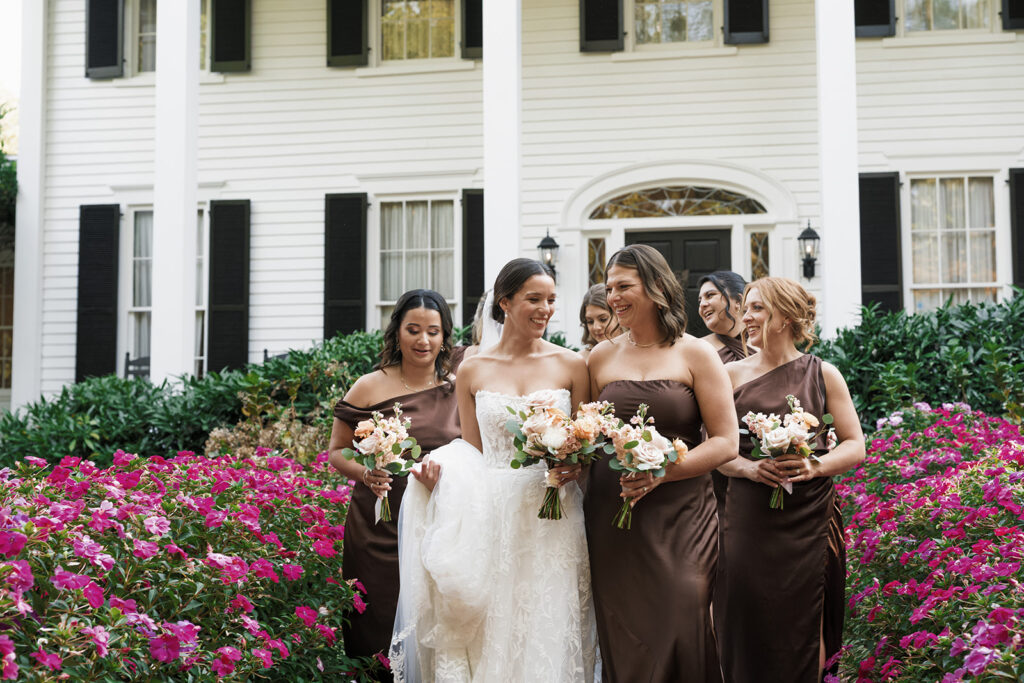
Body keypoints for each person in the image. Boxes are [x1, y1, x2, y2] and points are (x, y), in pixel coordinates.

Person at [390, 258, 596, 683]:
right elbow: (471, 452)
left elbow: (585, 442)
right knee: (494, 627)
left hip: (553, 511)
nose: (546, 309)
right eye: (534, 299)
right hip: (494, 513)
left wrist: (572, 462)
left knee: (548, 620)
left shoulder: (573, 365)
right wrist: (440, 478)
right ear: (505, 302)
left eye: (552, 300)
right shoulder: (473, 368)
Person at [585, 244, 738, 683]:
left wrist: (662, 470)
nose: (613, 296)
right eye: (610, 287)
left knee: (684, 615)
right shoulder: (600, 357)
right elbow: (588, 434)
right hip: (614, 516)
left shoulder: (696, 354)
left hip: (682, 515)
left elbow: (726, 442)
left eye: (624, 286)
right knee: (623, 630)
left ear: (654, 288)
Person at [717, 277, 865, 683]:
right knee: (746, 619)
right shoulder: (727, 375)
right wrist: (749, 468)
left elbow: (855, 445)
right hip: (748, 518)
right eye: (745, 308)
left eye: (756, 308)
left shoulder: (824, 373)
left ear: (784, 316)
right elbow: (712, 448)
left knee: (805, 620)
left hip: (810, 520)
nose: (744, 317)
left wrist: (816, 466)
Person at [327, 289, 461, 673]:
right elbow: (337, 450)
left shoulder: (456, 388)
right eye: (413, 330)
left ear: (444, 335)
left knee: (430, 623)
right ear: (397, 333)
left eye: (433, 331)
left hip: (436, 522)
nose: (423, 340)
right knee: (376, 623)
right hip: (377, 526)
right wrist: (365, 473)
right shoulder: (370, 386)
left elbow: (473, 454)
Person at [697, 270, 748, 363]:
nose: (702, 304)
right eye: (700, 301)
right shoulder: (697, 348)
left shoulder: (766, 342)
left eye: (710, 295)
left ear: (738, 300)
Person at [579, 283, 621, 360]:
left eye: (603, 319)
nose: (596, 327)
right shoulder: (582, 360)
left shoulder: (637, 353)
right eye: (590, 321)